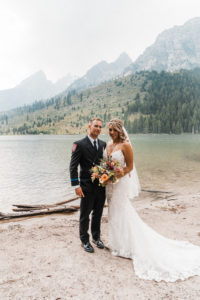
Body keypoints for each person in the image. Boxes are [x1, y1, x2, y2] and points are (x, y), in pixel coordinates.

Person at [105, 118, 200, 282]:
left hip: (119, 184)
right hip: (109, 184)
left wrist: (114, 177)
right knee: (112, 212)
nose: (111, 132)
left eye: (113, 130)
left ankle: (127, 246)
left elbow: (129, 167)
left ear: (120, 131)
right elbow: (107, 164)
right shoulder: (108, 145)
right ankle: (118, 243)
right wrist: (105, 175)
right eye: (109, 130)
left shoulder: (126, 145)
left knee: (122, 211)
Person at [70, 118, 106, 253]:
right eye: (95, 126)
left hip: (100, 186)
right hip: (86, 186)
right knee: (85, 215)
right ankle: (85, 240)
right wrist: (75, 185)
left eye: (100, 127)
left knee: (98, 213)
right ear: (89, 126)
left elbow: (104, 165)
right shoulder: (79, 144)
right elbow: (73, 167)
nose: (98, 129)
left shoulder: (103, 144)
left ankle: (96, 237)